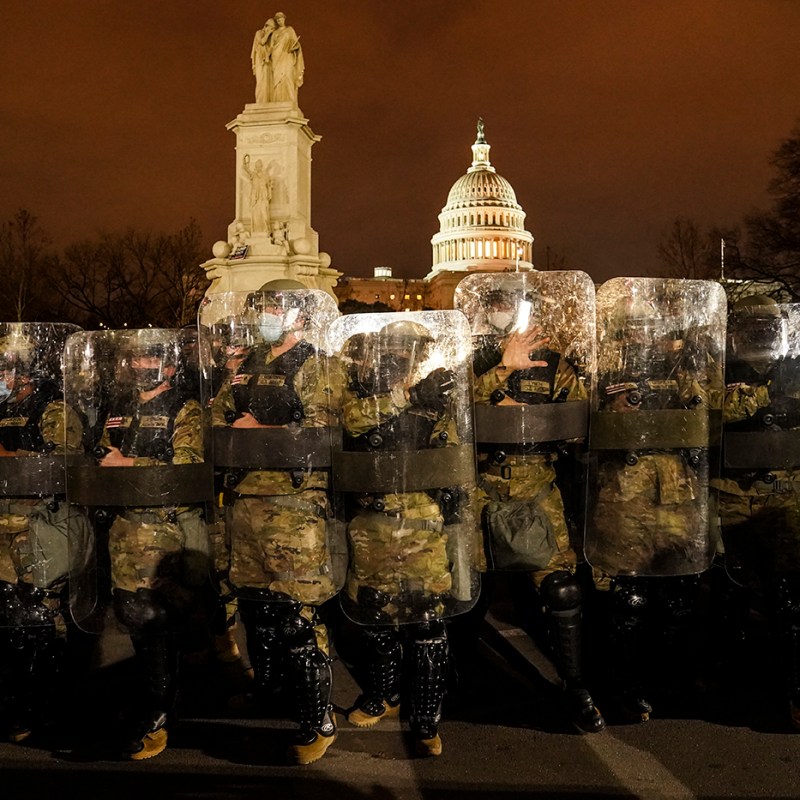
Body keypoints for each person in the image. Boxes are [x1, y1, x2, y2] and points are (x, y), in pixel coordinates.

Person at [457, 277, 605, 733]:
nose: (503, 311)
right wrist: (501, 370)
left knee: (561, 589)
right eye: (495, 304)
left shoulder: (556, 366)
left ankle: (576, 685)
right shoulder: (472, 361)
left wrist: (516, 407)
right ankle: (461, 677)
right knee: (467, 590)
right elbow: (454, 411)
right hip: (480, 488)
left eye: (510, 304)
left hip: (536, 488)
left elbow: (577, 421)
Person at [335, 316, 478, 757]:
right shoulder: (360, 393)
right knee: (376, 617)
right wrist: (407, 394)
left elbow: (456, 451)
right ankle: (384, 694)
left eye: (407, 350)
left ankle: (427, 717)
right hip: (373, 526)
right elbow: (352, 422)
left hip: (423, 528)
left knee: (427, 622)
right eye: (391, 349)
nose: (398, 358)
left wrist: (458, 514)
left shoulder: (439, 397)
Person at [211, 280, 341, 765]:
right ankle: (270, 693)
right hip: (245, 501)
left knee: (296, 614)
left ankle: (317, 718)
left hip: (293, 506)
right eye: (262, 308)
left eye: (272, 308)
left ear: (298, 316)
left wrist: (256, 430)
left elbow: (320, 435)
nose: (264, 315)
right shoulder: (248, 366)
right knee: (258, 610)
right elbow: (218, 419)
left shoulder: (316, 364)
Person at [585, 279, 725, 722]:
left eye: (649, 330)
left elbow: (714, 412)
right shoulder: (601, 372)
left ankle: (673, 677)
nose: (641, 338)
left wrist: (690, 369)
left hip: (679, 494)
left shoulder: (686, 366)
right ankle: (628, 684)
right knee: (630, 596)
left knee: (680, 593)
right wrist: (615, 411)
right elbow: (582, 427)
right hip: (625, 497)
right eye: (631, 331)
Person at [83, 331, 212, 760]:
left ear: (169, 366)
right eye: (134, 360)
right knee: (136, 624)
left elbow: (190, 465)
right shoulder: (120, 409)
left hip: (162, 533)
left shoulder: (184, 408)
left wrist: (130, 463)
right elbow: (103, 453)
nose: (139, 366)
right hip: (123, 532)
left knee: (157, 625)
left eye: (148, 360)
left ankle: (157, 717)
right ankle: (155, 702)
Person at [714, 295, 800, 728]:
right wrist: (764, 395)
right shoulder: (719, 371)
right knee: (732, 593)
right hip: (731, 496)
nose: (760, 336)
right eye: (751, 329)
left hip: (785, 494)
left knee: (788, 595)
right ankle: (729, 685)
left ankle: (794, 690)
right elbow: (711, 414)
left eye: (768, 328)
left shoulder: (795, 369)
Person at [0, 325, 84, 743]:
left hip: (39, 527)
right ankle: (18, 705)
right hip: (4, 527)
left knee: (40, 619)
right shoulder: (2, 405)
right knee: (10, 621)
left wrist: (12, 456)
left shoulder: (53, 407)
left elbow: (67, 462)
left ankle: (49, 711)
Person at [269, 12, 304, 105]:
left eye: (281, 19)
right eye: (278, 20)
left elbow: (297, 44)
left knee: (288, 76)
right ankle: (277, 101)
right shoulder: (275, 33)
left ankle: (290, 101)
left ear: (284, 19)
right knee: (277, 80)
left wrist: (294, 47)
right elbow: (271, 47)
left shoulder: (290, 30)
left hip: (287, 57)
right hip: (276, 58)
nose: (280, 21)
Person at [242, 155, 273, 235]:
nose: (258, 167)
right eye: (256, 166)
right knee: (255, 214)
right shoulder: (253, 175)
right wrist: (245, 161)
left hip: (263, 196)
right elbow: (246, 169)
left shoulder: (266, 176)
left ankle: (266, 229)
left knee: (264, 213)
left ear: (261, 166)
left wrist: (269, 194)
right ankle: (257, 231)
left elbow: (269, 186)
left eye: (259, 166)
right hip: (255, 197)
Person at [251, 18, 276, 104]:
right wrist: (269, 33)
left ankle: (267, 101)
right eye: (271, 27)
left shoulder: (271, 37)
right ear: (266, 26)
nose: (272, 30)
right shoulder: (259, 33)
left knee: (268, 81)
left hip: (267, 61)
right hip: (260, 60)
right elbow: (262, 42)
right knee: (261, 81)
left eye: (273, 28)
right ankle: (260, 102)